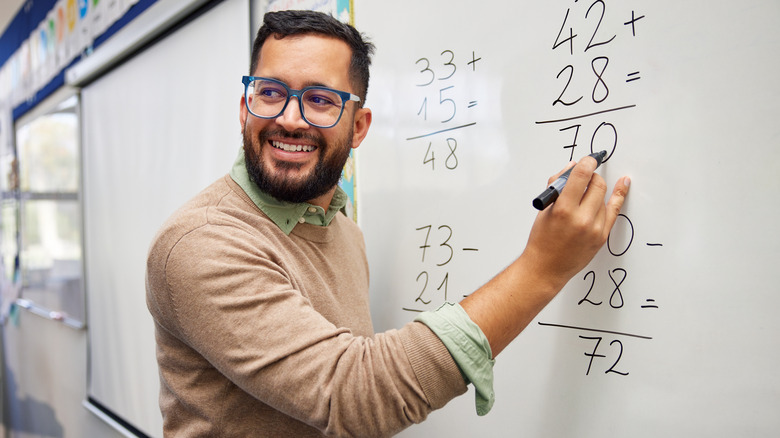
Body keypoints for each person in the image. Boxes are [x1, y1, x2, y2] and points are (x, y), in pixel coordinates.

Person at [145, 9, 630, 438]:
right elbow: (354, 396)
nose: (290, 119)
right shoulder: (200, 243)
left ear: (358, 126)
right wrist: (543, 267)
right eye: (270, 92)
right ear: (244, 108)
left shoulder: (343, 231)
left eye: (320, 99)